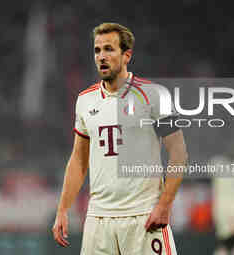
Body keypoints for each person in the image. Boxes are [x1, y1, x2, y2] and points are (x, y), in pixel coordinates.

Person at [52, 22, 188, 255]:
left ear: (127, 55)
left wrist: (165, 204)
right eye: (97, 50)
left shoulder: (154, 95)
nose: (101, 56)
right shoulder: (85, 100)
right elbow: (78, 160)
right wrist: (63, 208)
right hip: (99, 220)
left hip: (143, 216)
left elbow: (179, 153)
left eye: (109, 49)